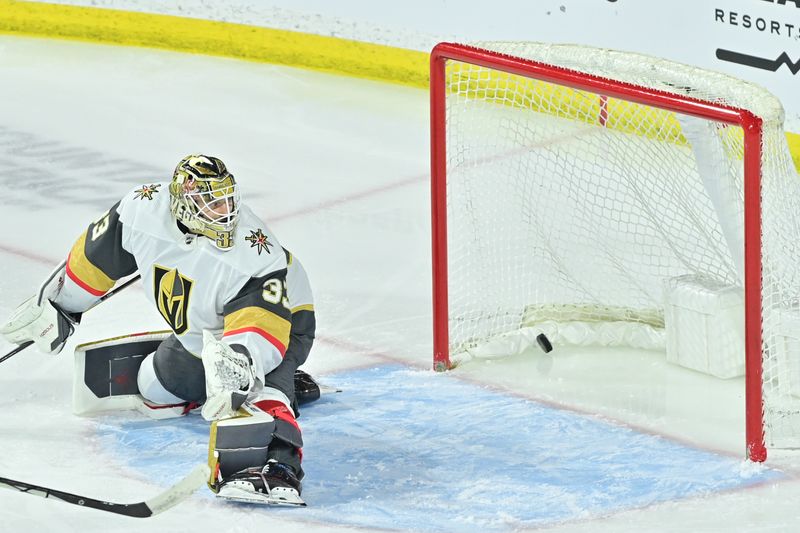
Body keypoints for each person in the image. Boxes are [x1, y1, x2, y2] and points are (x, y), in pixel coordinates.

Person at [0, 154, 315, 506]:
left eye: (227, 198)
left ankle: (278, 468)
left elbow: (263, 325)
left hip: (286, 318)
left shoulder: (256, 255)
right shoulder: (142, 210)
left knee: (255, 386)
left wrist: (241, 365)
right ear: (182, 201)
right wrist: (61, 304)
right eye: (211, 202)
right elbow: (97, 258)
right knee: (156, 389)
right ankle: (274, 385)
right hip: (203, 332)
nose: (225, 210)